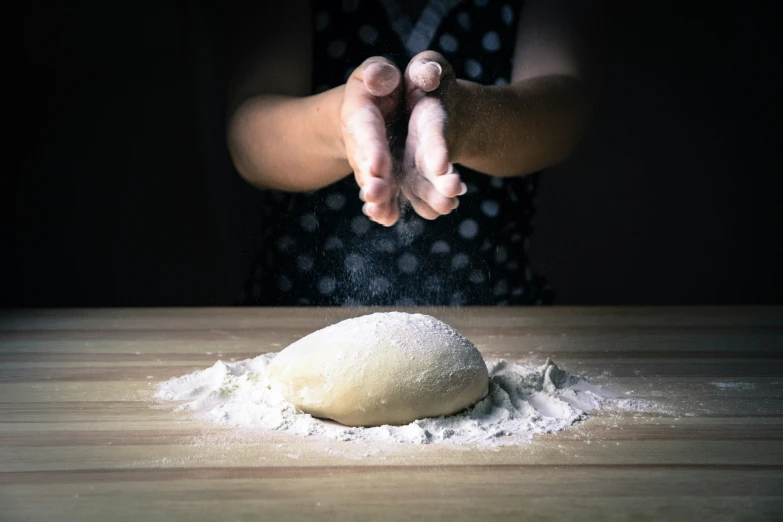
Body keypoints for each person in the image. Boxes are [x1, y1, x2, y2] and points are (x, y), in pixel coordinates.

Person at [226, 0, 604, 306]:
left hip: (499, 314)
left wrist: (464, 118)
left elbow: (566, 115)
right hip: (293, 315)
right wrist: (343, 126)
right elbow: (248, 143)